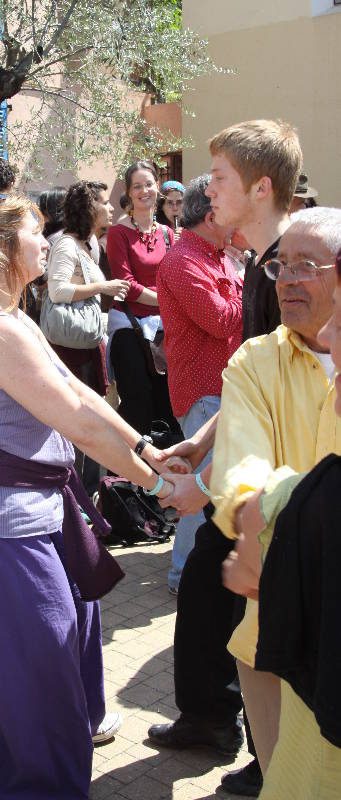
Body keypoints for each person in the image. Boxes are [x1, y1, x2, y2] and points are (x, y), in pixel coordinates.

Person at [0, 192, 175, 799]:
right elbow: (76, 422)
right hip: (2, 527)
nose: (46, 240)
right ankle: (33, 782)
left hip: (36, 517)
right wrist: (159, 486)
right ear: (4, 247)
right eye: (37, 232)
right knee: (34, 670)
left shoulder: (10, 317)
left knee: (63, 649)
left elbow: (84, 400)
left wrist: (145, 446)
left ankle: (47, 765)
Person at [150, 119, 302, 798]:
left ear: (260, 186)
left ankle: (266, 754)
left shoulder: (291, 268)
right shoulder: (256, 261)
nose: (203, 191)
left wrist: (215, 487)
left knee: (252, 610)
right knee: (217, 594)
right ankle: (219, 726)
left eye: (217, 179)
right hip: (253, 471)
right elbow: (249, 377)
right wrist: (203, 443)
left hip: (285, 487)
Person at [209, 207, 341, 780]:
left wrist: (272, 514)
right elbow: (241, 470)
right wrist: (253, 513)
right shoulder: (256, 362)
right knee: (285, 777)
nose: (287, 280)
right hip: (272, 621)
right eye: (280, 267)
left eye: (306, 266)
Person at [157, 174, 242, 595]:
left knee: (209, 485)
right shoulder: (183, 260)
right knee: (198, 488)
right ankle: (183, 579)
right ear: (211, 214)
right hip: (203, 391)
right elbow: (222, 319)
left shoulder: (220, 256)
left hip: (224, 388)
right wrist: (254, 285)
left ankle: (190, 576)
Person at [44, 181, 128, 493]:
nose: (110, 208)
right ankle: (72, 493)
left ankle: (86, 491)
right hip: (70, 350)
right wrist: (102, 288)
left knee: (91, 419)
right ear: (88, 208)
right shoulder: (67, 246)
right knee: (74, 423)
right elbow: (58, 291)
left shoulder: (89, 243)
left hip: (86, 344)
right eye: (104, 202)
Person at [107, 160, 179, 439]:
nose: (144, 190)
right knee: (138, 401)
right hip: (129, 326)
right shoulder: (118, 233)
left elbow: (174, 277)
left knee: (166, 400)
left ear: (157, 187)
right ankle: (128, 473)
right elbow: (128, 286)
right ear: (129, 192)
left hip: (163, 329)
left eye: (148, 184)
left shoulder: (167, 234)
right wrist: (166, 302)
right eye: (137, 186)